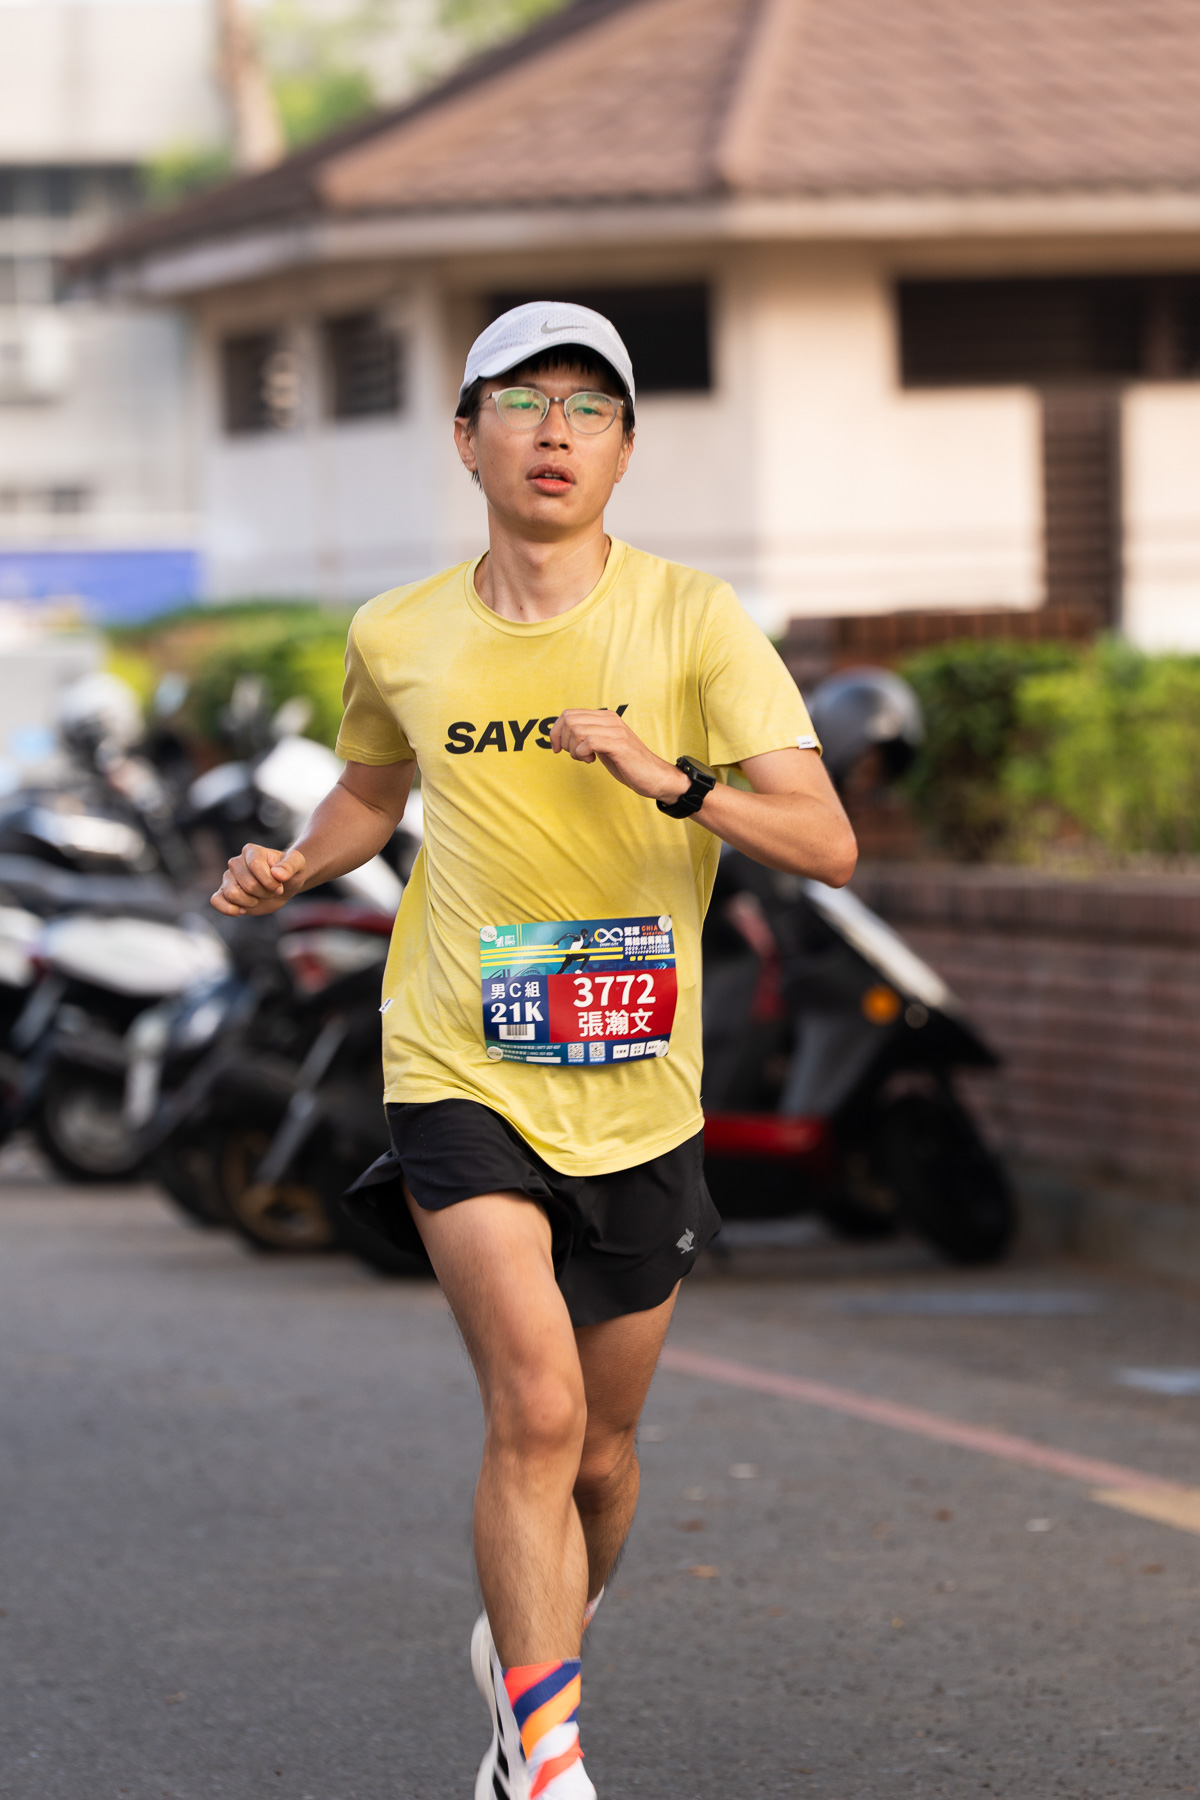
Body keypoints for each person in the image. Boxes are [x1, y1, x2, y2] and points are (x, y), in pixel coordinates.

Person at [211, 300, 857, 1799]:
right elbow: (372, 792)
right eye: (520, 402)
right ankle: (546, 1760)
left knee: (603, 1457)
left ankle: (536, 1649)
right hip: (459, 1061)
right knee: (538, 1407)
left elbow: (825, 842)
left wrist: (670, 778)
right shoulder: (398, 631)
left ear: (626, 450)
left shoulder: (694, 621)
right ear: (466, 438)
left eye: (588, 409)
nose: (553, 432)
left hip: (639, 1086)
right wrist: (298, 864)